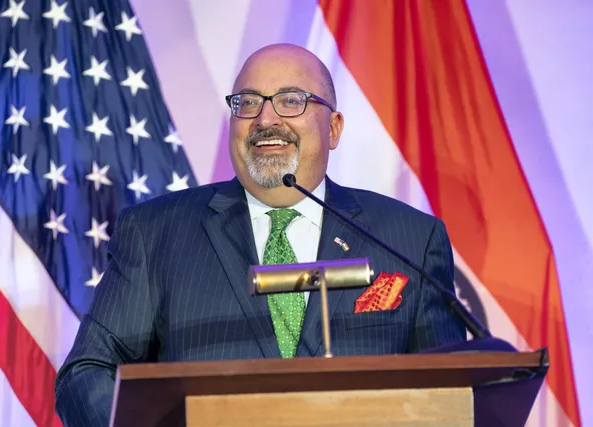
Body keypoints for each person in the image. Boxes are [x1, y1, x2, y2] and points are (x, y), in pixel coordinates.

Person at [54, 43, 466, 426]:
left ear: (334, 127)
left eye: (291, 100)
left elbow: (452, 391)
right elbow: (87, 372)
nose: (266, 119)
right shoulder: (156, 232)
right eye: (247, 103)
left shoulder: (409, 238)